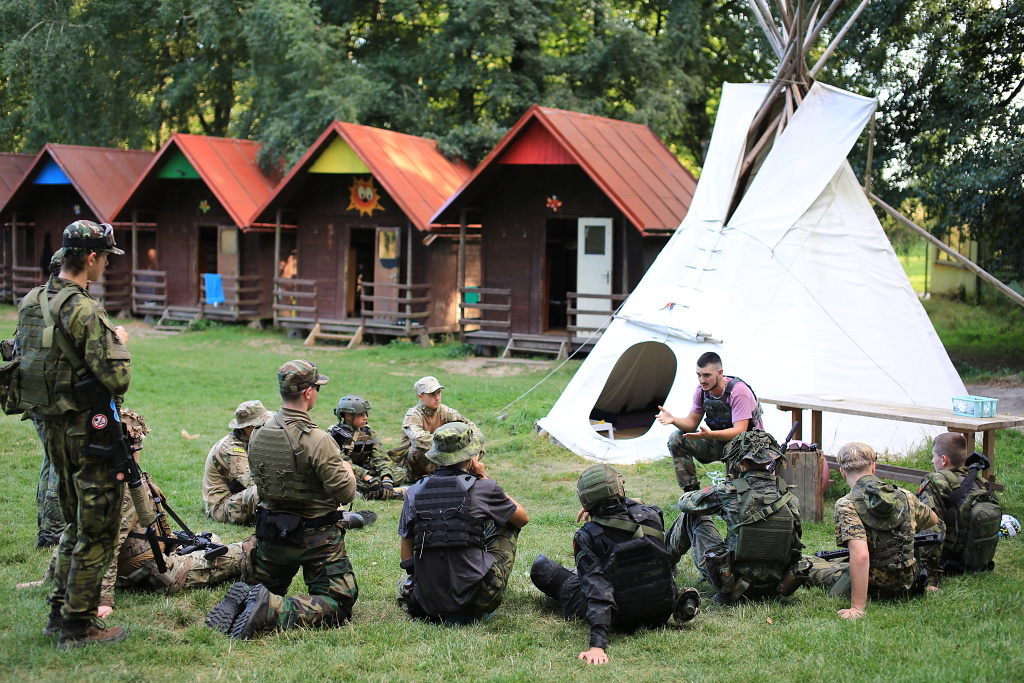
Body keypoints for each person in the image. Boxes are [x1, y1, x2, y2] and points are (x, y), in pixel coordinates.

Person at [17, 220, 132, 649]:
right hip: (89, 434)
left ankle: (57, 612)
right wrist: (119, 341)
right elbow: (117, 378)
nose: (105, 265)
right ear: (89, 258)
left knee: (72, 521)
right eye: (105, 258)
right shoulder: (84, 309)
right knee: (98, 527)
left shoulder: (33, 301)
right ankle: (78, 625)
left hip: (50, 429)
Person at [27, 410, 255, 614]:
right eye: (138, 444)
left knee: (209, 539)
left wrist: (51, 577)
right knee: (243, 552)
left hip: (146, 561)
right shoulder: (124, 488)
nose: (140, 450)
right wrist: (104, 600)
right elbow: (110, 544)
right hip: (152, 574)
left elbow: (71, 533)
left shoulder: (90, 477)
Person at [205, 360, 359, 639]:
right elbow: (346, 493)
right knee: (338, 603)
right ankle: (272, 610)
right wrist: (347, 470)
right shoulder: (318, 439)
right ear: (309, 393)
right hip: (316, 537)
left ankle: (251, 597)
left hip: (272, 535)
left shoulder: (259, 434)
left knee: (265, 586)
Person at [531, 464, 700, 665]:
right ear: (620, 488)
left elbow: (598, 590)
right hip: (661, 609)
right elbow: (636, 506)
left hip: (620, 616)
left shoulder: (587, 535)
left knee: (542, 568)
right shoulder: (653, 515)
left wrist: (597, 645)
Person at [396, 422, 528, 624]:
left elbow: (407, 552)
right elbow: (522, 518)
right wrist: (484, 478)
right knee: (507, 521)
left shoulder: (415, 491)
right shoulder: (484, 487)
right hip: (478, 600)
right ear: (471, 455)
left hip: (425, 601)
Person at [665, 429, 806, 606]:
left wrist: (722, 488)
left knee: (692, 517)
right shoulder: (789, 497)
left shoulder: (729, 491)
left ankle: (664, 562)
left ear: (739, 461)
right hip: (775, 584)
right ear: (771, 459)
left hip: (732, 583)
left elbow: (685, 503)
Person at [806, 442, 938, 619]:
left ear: (842, 471)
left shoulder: (847, 504)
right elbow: (933, 520)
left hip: (877, 587)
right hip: (909, 582)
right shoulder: (904, 495)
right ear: (873, 467)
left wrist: (857, 608)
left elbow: (861, 556)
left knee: (807, 563)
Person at [656, 352, 762, 491]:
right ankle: (692, 497)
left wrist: (710, 434)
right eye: (698, 375)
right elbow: (691, 423)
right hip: (718, 442)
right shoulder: (702, 391)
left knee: (735, 445)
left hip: (748, 447)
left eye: (706, 375)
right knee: (677, 438)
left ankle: (734, 497)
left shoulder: (738, 391)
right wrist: (673, 419)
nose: (701, 380)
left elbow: (740, 431)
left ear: (720, 373)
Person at [916, 432, 1002, 584]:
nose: (932, 460)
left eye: (933, 456)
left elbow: (931, 527)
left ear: (943, 460)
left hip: (948, 562)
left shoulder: (936, 481)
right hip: (975, 560)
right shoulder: (980, 481)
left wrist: (931, 577)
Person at [31, 248, 67, 548]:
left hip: (32, 393)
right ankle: (53, 532)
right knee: (60, 463)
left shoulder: (32, 299)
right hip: (57, 398)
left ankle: (46, 524)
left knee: (49, 459)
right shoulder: (67, 302)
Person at [390, 376, 477, 482]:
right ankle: (420, 478)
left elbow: (470, 427)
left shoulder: (445, 411)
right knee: (418, 449)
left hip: (440, 457)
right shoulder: (413, 416)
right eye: (432, 394)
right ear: (420, 396)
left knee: (474, 444)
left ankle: (455, 473)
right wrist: (449, 444)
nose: (437, 397)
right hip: (414, 464)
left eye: (439, 392)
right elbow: (418, 439)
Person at [203, 400, 272, 525]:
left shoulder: (251, 441)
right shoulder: (232, 450)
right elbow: (252, 484)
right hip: (222, 507)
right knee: (261, 491)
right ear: (249, 427)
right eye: (262, 424)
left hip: (236, 495)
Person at [328, 395, 407, 499]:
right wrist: (367, 478)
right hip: (348, 473)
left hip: (366, 472)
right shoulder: (334, 436)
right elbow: (343, 463)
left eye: (366, 414)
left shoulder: (368, 433)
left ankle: (371, 491)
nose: (365, 417)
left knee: (400, 473)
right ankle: (384, 492)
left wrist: (386, 478)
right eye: (361, 415)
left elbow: (381, 458)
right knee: (342, 479)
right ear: (347, 416)